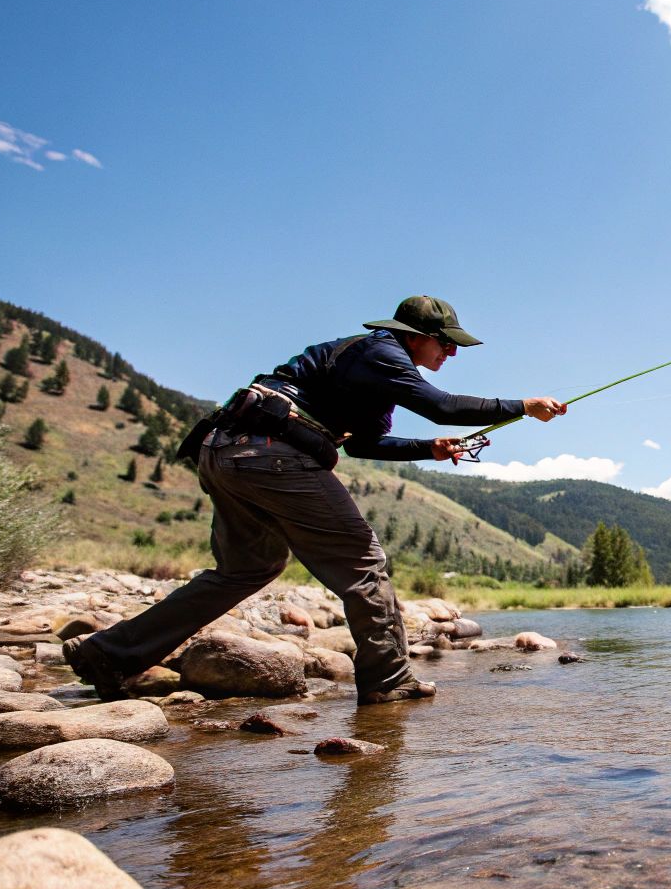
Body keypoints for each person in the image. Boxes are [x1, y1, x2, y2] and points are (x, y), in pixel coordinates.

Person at [64, 295, 565, 705]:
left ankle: (109, 654)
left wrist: (428, 449)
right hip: (271, 455)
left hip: (225, 452)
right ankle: (389, 681)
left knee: (245, 570)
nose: (451, 354)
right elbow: (442, 406)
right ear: (414, 336)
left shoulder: (368, 369)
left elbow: (363, 444)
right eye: (445, 343)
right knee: (363, 563)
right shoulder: (381, 353)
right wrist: (522, 406)